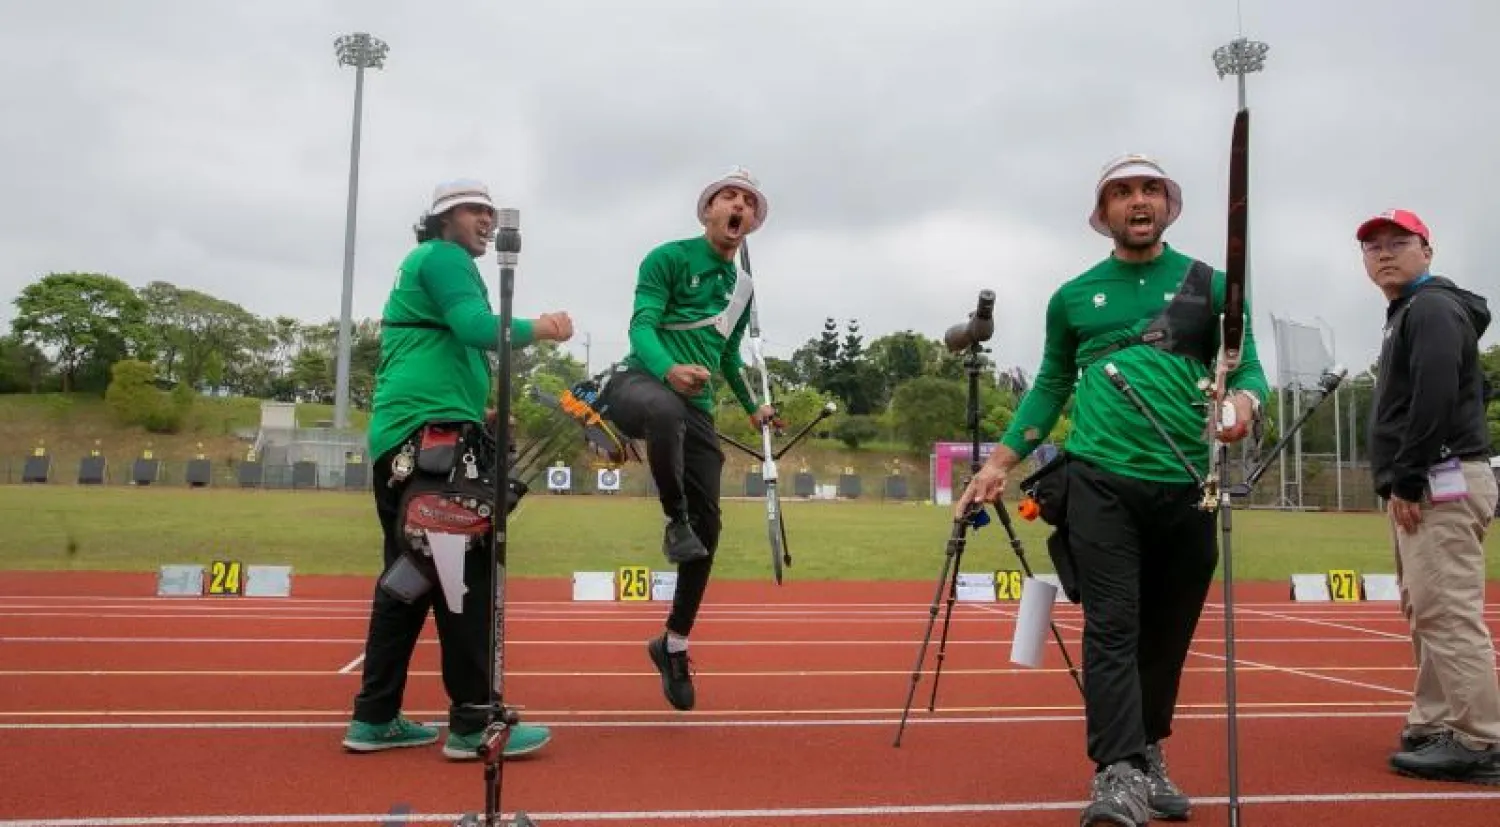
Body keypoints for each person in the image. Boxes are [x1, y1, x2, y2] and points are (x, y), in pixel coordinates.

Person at [955, 154, 1269, 826]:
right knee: (1112, 626)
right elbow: (1049, 385)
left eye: (1149, 190)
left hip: (1189, 484)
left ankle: (1149, 748)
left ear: (1168, 205)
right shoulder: (1073, 297)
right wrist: (999, 461)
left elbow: (1253, 375)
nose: (1137, 201)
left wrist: (1241, 407)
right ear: (1104, 213)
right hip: (1098, 480)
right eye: (1122, 192)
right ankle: (1117, 771)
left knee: (1166, 633)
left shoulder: (1211, 286)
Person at [342, 179, 574, 761]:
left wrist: (480, 407)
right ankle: (473, 725)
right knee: (462, 581)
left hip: (412, 439)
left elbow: (444, 347)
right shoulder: (444, 258)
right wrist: (541, 329)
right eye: (475, 209)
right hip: (432, 444)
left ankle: (374, 717)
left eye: (491, 211)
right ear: (443, 218)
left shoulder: (424, 263)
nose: (487, 219)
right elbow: (475, 328)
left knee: (410, 579)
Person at [596, 167, 777, 712]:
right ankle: (673, 520)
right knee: (663, 409)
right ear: (708, 212)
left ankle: (673, 643)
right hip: (638, 382)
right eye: (729, 197)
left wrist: (753, 408)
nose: (739, 205)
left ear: (752, 224)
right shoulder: (666, 258)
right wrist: (670, 369)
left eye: (748, 201)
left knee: (711, 529)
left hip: (692, 407)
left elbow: (724, 355)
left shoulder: (742, 288)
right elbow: (641, 327)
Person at [1358, 208, 1500, 785]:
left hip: (1439, 479)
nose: (1385, 252)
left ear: (1428, 250)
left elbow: (1437, 393)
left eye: (1399, 242)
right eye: (1372, 246)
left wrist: (1409, 475)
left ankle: (1482, 739)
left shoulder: (1434, 307)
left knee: (1446, 610)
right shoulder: (1415, 311)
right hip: (1433, 478)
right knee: (1428, 607)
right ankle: (1438, 719)